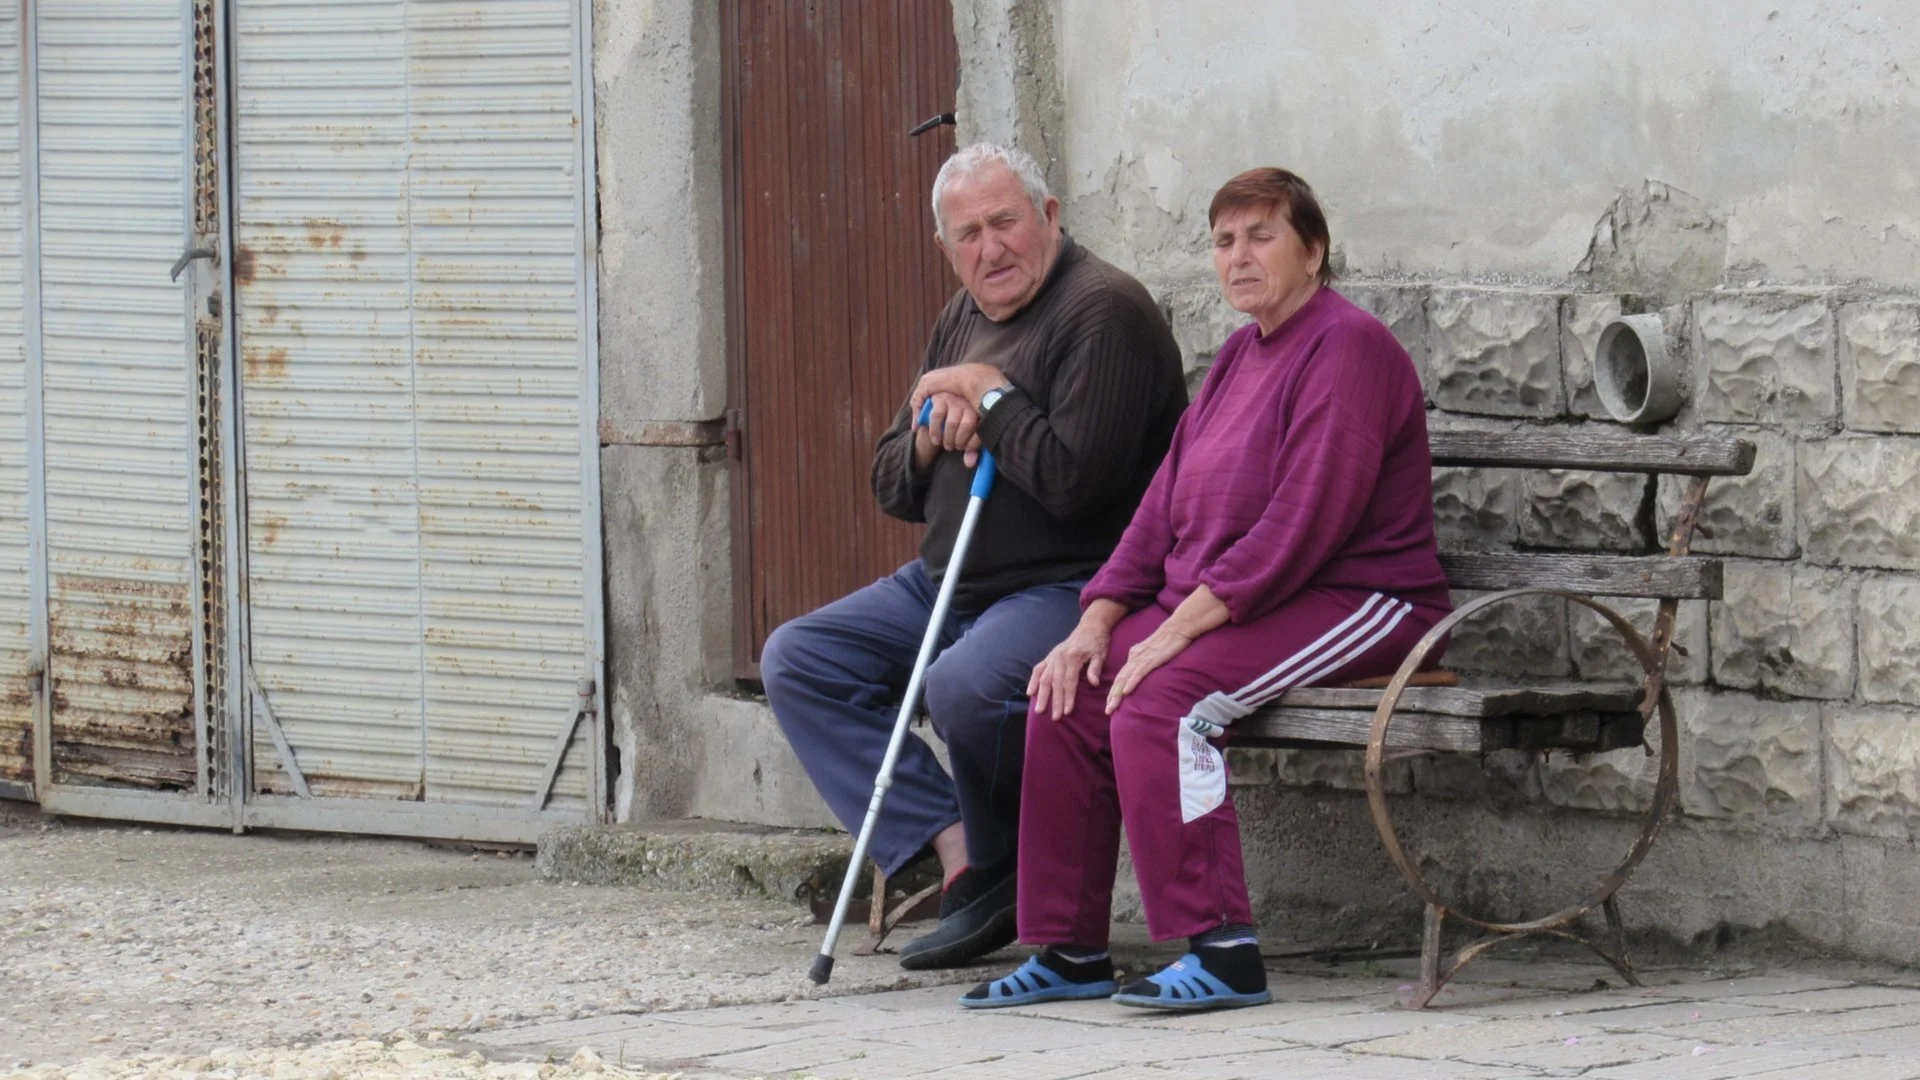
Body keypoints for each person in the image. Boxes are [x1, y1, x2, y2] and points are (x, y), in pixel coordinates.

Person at [962, 168, 1453, 1012]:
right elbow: (1159, 511)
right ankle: (1070, 949)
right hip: (1247, 599)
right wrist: (1096, 623)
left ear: (1315, 250)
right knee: (1068, 689)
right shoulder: (1237, 356)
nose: (1239, 257)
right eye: (1225, 241)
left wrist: (1174, 633)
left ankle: (1223, 950)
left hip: (1362, 600)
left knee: (1165, 695)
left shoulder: (1350, 348)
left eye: (1261, 235)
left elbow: (1304, 524)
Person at [760, 144, 1187, 971]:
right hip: (946, 579)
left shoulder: (1105, 312)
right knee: (800, 659)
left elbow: (1074, 483)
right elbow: (891, 483)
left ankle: (1011, 864)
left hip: (1071, 582)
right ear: (945, 248)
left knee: (965, 682)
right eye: (969, 234)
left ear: (1050, 216)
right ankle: (963, 860)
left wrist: (990, 399)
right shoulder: (962, 313)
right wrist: (928, 434)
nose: (991, 249)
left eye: (1006, 222)